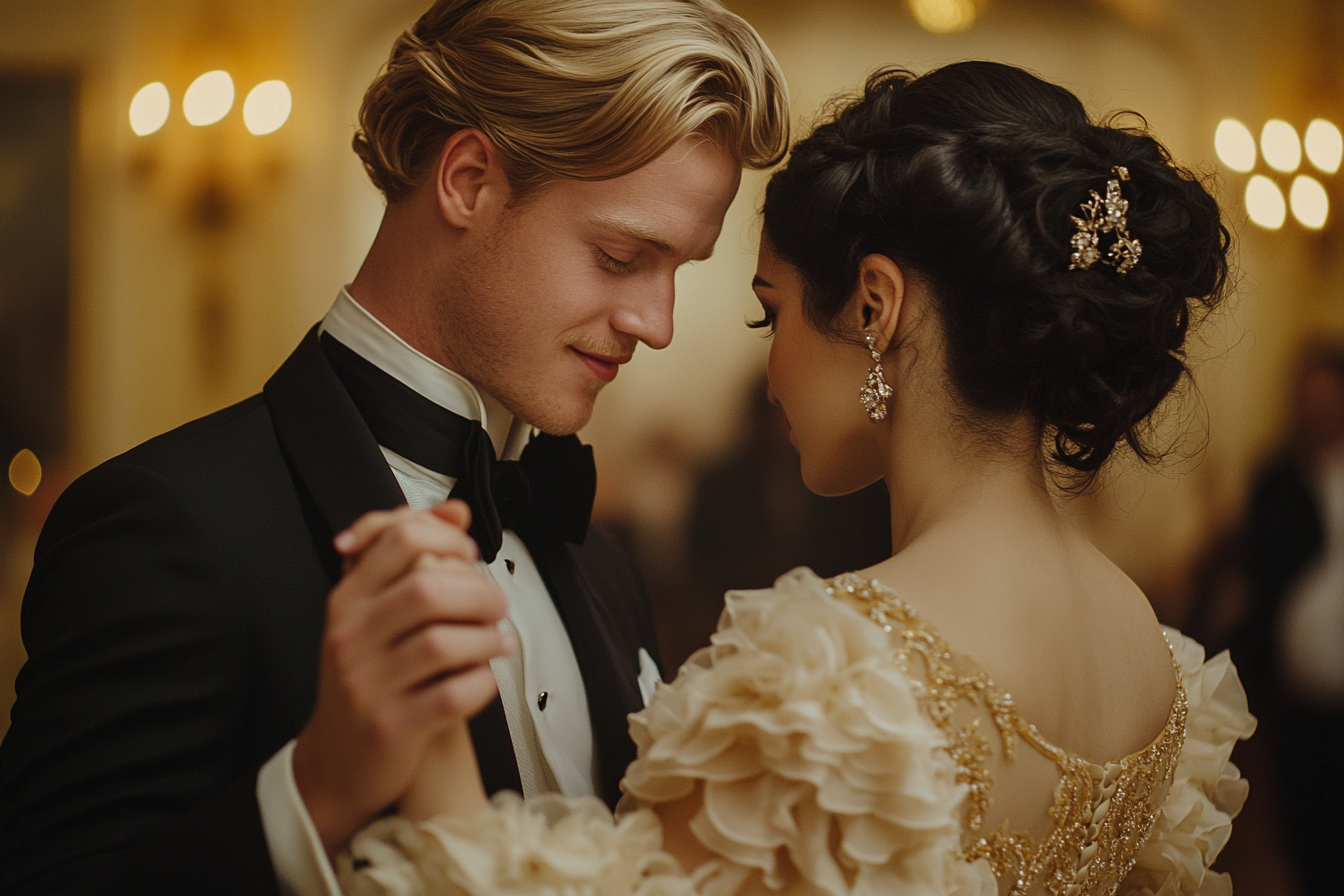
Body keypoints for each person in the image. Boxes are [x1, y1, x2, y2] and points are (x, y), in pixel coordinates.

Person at [337, 62, 1256, 896]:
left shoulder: (825, 677)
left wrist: (435, 755)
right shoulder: (1152, 651)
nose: (771, 370)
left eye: (767, 315)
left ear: (874, 305)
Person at [0, 2, 789, 894]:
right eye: (619, 256)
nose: (659, 324)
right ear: (465, 180)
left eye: (678, 270)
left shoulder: (601, 566)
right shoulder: (163, 525)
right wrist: (317, 787)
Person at [1240, 344, 1344, 895]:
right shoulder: (1277, 476)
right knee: (1307, 814)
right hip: (1299, 687)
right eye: (1310, 400)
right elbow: (1260, 568)